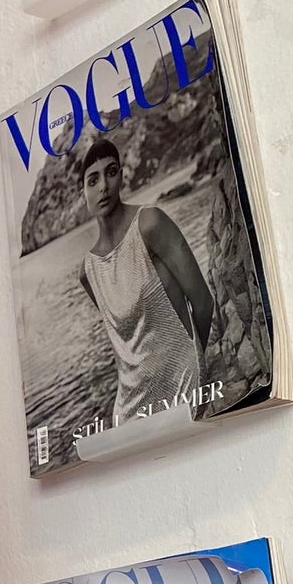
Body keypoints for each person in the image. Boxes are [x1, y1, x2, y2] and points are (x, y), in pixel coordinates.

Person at [73, 135, 213, 430]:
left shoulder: (150, 224)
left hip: (182, 384)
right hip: (129, 406)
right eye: (93, 180)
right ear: (83, 192)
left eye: (111, 172)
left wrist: (194, 363)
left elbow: (202, 301)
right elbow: (125, 343)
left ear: (122, 176)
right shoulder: (88, 272)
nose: (103, 186)